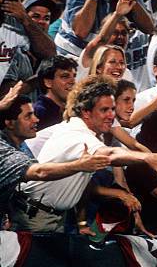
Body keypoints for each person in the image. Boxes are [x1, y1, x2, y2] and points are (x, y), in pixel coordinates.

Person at [9, 76, 157, 232]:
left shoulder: (89, 134)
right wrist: (147, 157)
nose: (111, 116)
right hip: (34, 217)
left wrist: (81, 222)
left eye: (112, 109)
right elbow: (110, 154)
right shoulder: (78, 134)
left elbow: (81, 183)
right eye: (104, 110)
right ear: (86, 112)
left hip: (53, 216)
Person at [0, 94, 110, 226]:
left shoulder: (54, 134)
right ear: (9, 123)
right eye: (28, 116)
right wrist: (78, 165)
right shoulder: (4, 151)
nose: (36, 119)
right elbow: (39, 172)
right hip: (30, 218)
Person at [34, 55, 77, 129]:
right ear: (48, 82)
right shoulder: (38, 112)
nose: (72, 81)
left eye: (74, 76)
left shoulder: (73, 110)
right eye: (65, 76)